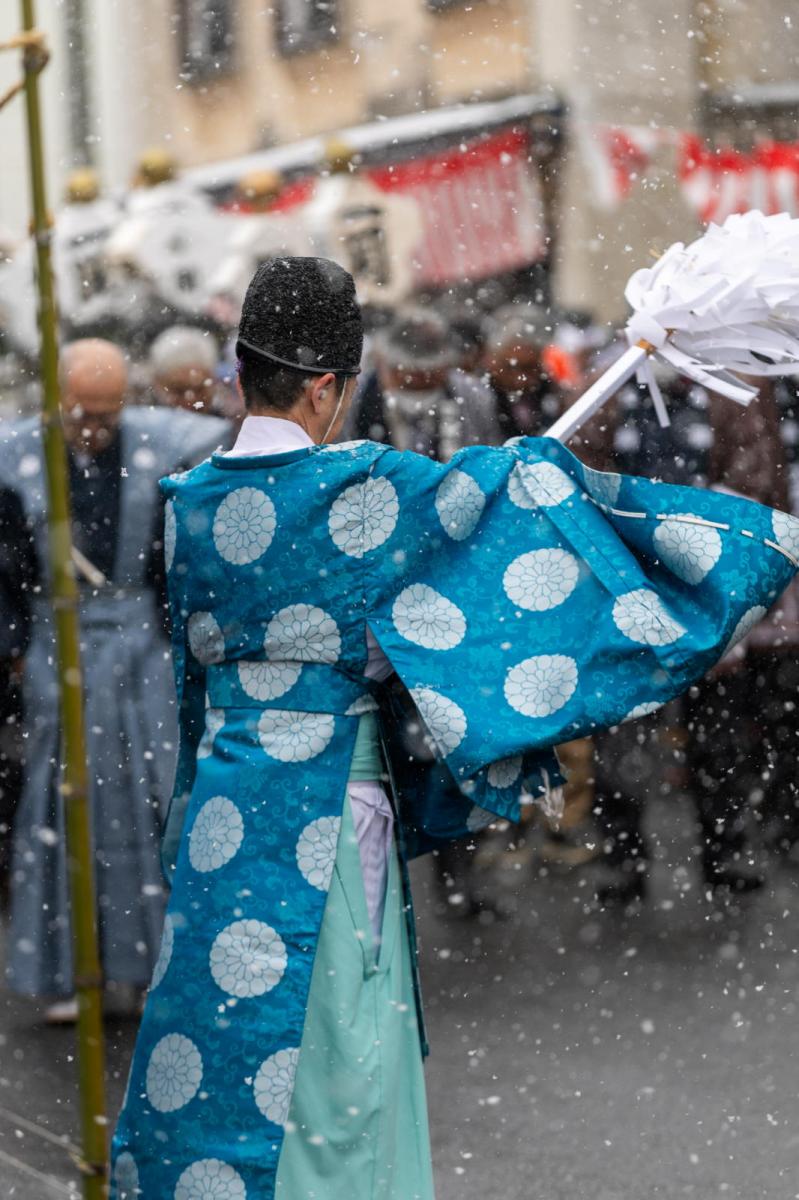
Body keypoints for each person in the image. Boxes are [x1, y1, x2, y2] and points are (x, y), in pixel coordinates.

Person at [111, 257, 797, 1199]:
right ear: (322, 386)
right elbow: (504, 512)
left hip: (224, 808)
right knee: (340, 1051)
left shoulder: (189, 502)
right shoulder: (365, 488)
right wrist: (547, 488)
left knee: (230, 1033)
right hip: (328, 807)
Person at [0, 339, 227, 1023]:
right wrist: (16, 649)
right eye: (81, 415)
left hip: (139, 647)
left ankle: (146, 963)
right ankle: (69, 968)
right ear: (58, 403)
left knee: (153, 803)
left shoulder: (158, 449)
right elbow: (7, 570)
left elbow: (168, 562)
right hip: (56, 644)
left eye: (106, 413)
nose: (94, 429)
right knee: (61, 810)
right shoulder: (20, 461)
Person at [349, 306, 503, 456]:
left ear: (447, 365)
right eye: (408, 378)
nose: (419, 385)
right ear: (383, 363)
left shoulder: (474, 396)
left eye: (429, 378)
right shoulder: (352, 396)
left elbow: (490, 458)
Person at [482, 302, 564, 438]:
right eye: (510, 367)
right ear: (490, 359)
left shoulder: (552, 393)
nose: (521, 379)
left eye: (531, 368)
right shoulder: (475, 397)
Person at [150, 324, 220, 416]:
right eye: (178, 390)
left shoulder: (232, 424)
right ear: (158, 384)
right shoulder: (135, 424)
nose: (190, 400)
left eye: (198, 390)